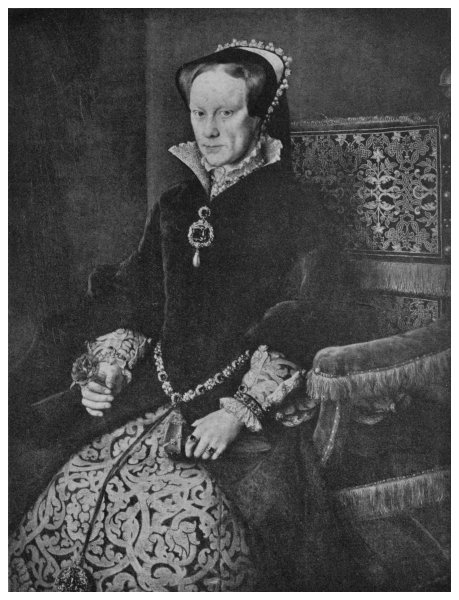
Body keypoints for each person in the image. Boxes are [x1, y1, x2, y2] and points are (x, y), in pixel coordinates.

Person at [9, 39, 344, 592]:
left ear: (259, 117)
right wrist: (110, 369)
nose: (208, 130)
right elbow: (136, 298)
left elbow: (310, 314)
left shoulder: (297, 207)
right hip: (157, 393)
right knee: (73, 486)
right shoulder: (175, 205)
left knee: (173, 528)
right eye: (199, 113)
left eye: (226, 113)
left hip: (246, 410)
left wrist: (238, 411)